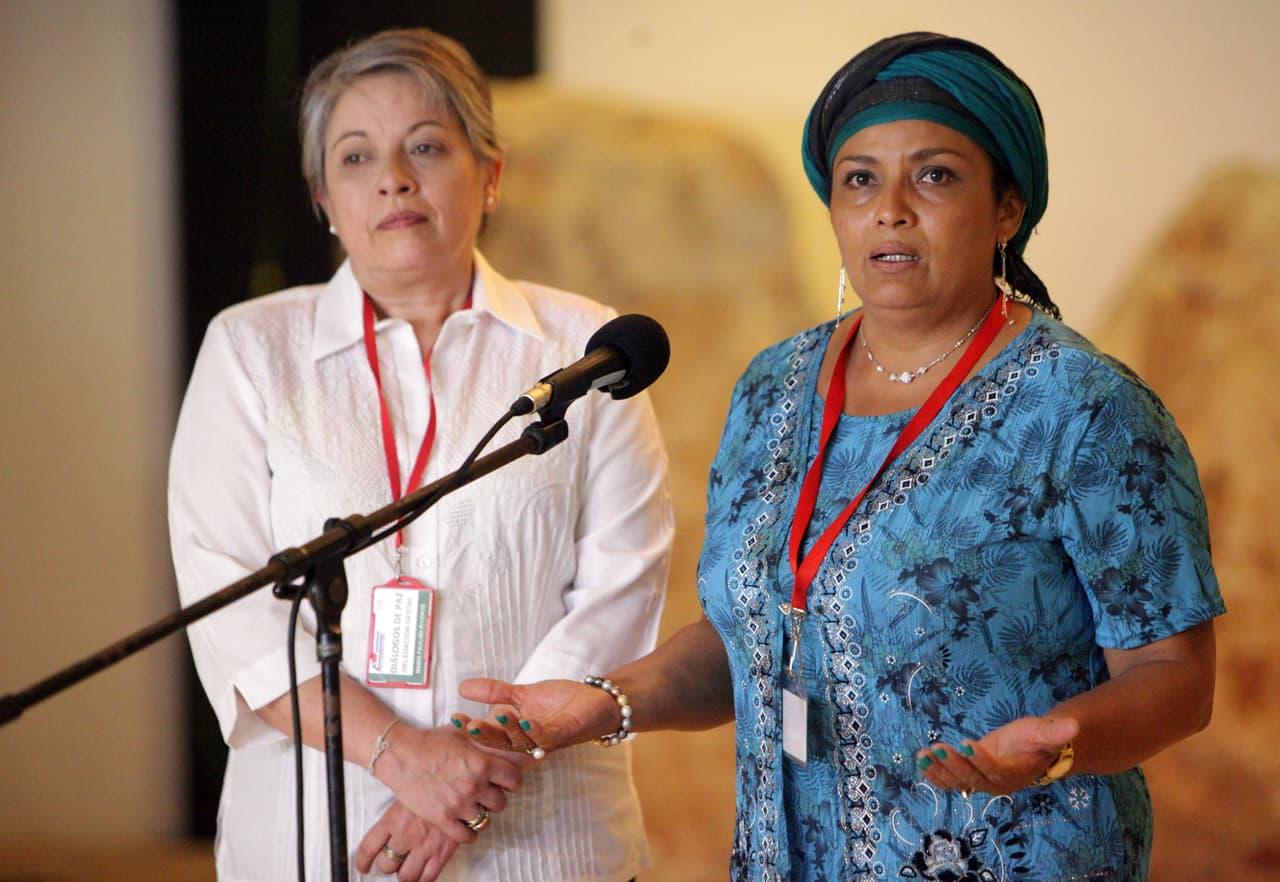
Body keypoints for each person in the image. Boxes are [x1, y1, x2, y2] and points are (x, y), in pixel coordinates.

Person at [454, 32, 1224, 881]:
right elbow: (753, 636)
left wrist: (1059, 742)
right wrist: (604, 703)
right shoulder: (772, 387)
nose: (890, 208)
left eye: (935, 176)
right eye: (860, 179)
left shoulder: (1083, 407)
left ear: (1008, 208)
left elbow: (1174, 677)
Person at [168, 27, 672, 882]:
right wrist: (402, 755)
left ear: (491, 174)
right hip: (318, 832)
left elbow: (621, 587)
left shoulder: (586, 347)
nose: (393, 178)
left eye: (427, 147)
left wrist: (471, 771)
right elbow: (228, 601)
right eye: (356, 156)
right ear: (323, 198)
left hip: (545, 839)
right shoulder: (250, 348)